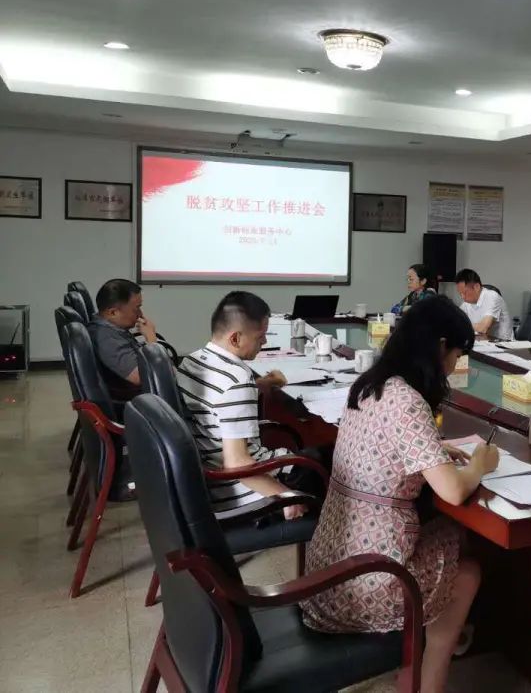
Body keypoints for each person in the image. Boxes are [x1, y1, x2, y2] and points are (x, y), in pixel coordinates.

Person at [301, 295, 498, 693]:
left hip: (327, 566)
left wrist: (434, 449)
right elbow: (453, 491)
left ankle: (421, 653)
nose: (454, 365)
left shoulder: (370, 385)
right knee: (467, 572)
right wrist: (480, 463)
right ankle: (428, 679)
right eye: (457, 354)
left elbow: (384, 444)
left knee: (453, 537)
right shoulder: (407, 401)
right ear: (440, 346)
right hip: (368, 580)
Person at [176, 291, 304, 518]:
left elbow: (219, 399)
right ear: (235, 338)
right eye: (260, 336)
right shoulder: (237, 381)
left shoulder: (192, 361)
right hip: (241, 490)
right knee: (326, 463)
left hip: (210, 473)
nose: (264, 342)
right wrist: (286, 496)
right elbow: (236, 464)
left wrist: (261, 384)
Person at [87, 278, 157, 401]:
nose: (140, 314)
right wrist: (151, 338)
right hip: (146, 400)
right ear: (113, 312)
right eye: (137, 308)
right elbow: (144, 377)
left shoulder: (111, 327)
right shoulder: (107, 339)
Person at [454, 268, 512, 340]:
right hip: (483, 342)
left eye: (465, 292)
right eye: (460, 293)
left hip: (503, 343)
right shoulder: (466, 304)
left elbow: (483, 328)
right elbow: (455, 323)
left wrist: (463, 325)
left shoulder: (492, 296)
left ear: (477, 287)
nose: (462, 297)